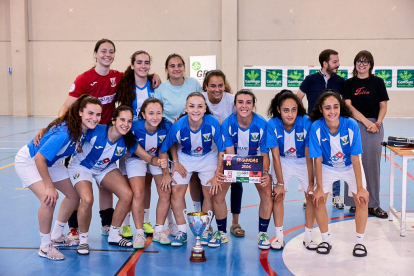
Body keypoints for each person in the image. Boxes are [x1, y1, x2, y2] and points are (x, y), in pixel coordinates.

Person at [37, 39, 161, 240]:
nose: (108, 54)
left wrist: (154, 75)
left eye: (111, 51)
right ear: (95, 54)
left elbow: (137, 74)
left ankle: (107, 225)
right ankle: (74, 228)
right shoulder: (84, 79)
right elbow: (66, 106)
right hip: (85, 136)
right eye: (103, 51)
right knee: (79, 190)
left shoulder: (117, 77)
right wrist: (53, 127)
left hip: (111, 137)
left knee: (105, 185)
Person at [67, 105, 167, 254]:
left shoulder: (127, 140)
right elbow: (70, 133)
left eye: (129, 121)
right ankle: (83, 240)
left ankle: (114, 234)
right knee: (87, 199)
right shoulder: (97, 130)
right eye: (122, 120)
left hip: (105, 167)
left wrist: (159, 162)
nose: (125, 124)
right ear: (113, 120)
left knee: (127, 195)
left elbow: (146, 157)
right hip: (83, 167)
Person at [14, 95, 102, 260]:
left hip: (52, 162)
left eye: (98, 114)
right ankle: (45, 246)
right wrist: (49, 186)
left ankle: (56, 236)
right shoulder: (65, 133)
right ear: (80, 112)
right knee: (48, 199)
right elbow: (39, 158)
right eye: (90, 113)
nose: (94, 118)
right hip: (30, 161)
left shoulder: (83, 129)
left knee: (74, 196)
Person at [117, 50, 172, 237]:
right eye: (139, 62)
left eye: (146, 62)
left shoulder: (154, 84)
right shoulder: (125, 85)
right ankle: (125, 223)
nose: (143, 65)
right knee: (131, 187)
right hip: (130, 136)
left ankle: (147, 222)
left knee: (147, 184)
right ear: (131, 65)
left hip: (151, 137)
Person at [208, 89, 272, 249]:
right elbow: (230, 154)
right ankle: (221, 233)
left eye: (248, 102)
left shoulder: (262, 124)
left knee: (266, 193)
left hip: (256, 162)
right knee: (217, 193)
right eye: (240, 102)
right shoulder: (228, 124)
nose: (244, 106)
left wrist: (265, 173)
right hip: (234, 161)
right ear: (235, 105)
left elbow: (265, 154)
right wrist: (224, 173)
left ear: (253, 105)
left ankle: (262, 233)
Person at [160, 92, 225, 247]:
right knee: (176, 192)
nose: (196, 110)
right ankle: (182, 231)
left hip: (208, 157)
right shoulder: (178, 126)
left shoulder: (213, 123)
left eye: (200, 106)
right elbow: (163, 150)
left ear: (205, 109)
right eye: (192, 106)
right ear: (186, 108)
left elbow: (222, 151)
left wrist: (217, 174)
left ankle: (204, 229)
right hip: (185, 158)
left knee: (209, 193)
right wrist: (169, 168)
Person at [309, 91, 369, 257]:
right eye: (327, 108)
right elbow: (317, 160)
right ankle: (325, 239)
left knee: (362, 200)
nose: (332, 111)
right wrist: (319, 187)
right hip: (328, 167)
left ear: (340, 108)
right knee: (318, 199)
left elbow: (356, 159)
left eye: (335, 107)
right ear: (321, 109)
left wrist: (360, 188)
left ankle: (359, 242)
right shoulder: (316, 127)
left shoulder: (350, 125)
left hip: (350, 165)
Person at [154, 53, 202, 233]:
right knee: (173, 182)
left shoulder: (193, 84)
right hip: (170, 135)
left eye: (179, 65)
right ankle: (172, 223)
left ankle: (199, 217)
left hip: (193, 133)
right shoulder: (161, 89)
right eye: (172, 66)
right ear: (166, 70)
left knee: (196, 178)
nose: (176, 68)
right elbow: (157, 112)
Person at [267, 90, 316, 250]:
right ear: (279, 110)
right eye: (286, 110)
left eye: (293, 109)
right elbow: (275, 156)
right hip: (283, 160)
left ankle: (308, 237)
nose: (290, 114)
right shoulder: (273, 124)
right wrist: (280, 183)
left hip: (304, 161)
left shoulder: (306, 122)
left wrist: (311, 182)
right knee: (278, 196)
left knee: (310, 197)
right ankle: (279, 237)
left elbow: (309, 155)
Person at [342, 50, 389, 218]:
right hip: (353, 124)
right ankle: (354, 202)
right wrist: (365, 121)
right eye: (359, 61)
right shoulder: (349, 83)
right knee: (352, 163)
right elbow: (348, 106)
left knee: (371, 165)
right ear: (355, 64)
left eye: (365, 62)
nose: (362, 64)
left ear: (370, 64)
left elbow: (383, 106)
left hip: (374, 127)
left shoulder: (378, 82)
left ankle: (374, 204)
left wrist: (377, 123)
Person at [297, 49, 345, 209]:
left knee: (336, 158)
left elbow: (345, 102)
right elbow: (297, 98)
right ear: (325, 64)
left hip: (333, 126)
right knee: (311, 159)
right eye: (335, 62)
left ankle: (336, 196)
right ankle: (309, 192)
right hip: (313, 127)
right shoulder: (310, 79)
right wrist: (305, 116)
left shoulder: (340, 81)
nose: (338, 64)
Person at [125, 98, 173, 248]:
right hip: (136, 159)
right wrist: (156, 162)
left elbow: (164, 150)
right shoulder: (134, 127)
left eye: (158, 113)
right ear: (143, 114)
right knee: (138, 194)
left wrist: (166, 173)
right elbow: (140, 154)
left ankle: (159, 230)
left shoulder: (167, 127)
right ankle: (139, 233)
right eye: (151, 113)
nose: (155, 117)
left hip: (158, 158)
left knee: (165, 191)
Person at [201, 70, 244, 237]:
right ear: (206, 87)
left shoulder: (231, 100)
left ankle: (235, 222)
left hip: (231, 146)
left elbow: (241, 118)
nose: (216, 89)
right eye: (213, 86)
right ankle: (208, 223)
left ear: (224, 86)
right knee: (209, 185)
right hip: (209, 149)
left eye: (220, 85)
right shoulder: (201, 99)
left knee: (236, 183)